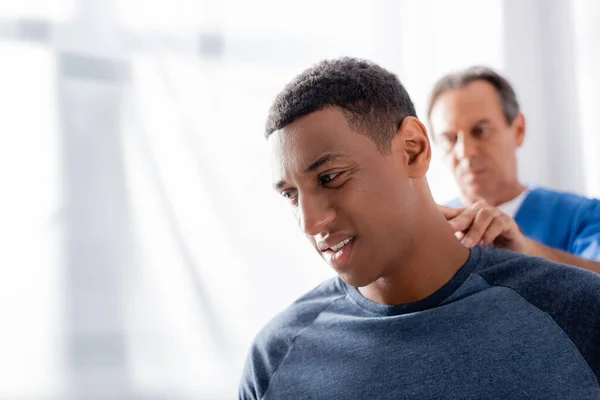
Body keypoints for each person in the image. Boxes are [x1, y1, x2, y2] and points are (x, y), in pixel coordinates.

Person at [239, 58, 600, 399]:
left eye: (330, 178)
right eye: (290, 195)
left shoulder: (579, 311)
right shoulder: (274, 359)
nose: (310, 223)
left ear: (413, 150)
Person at [428, 66, 600, 274]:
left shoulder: (582, 216)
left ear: (518, 130)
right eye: (449, 139)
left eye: (480, 131)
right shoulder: (431, 231)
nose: (465, 152)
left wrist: (526, 251)